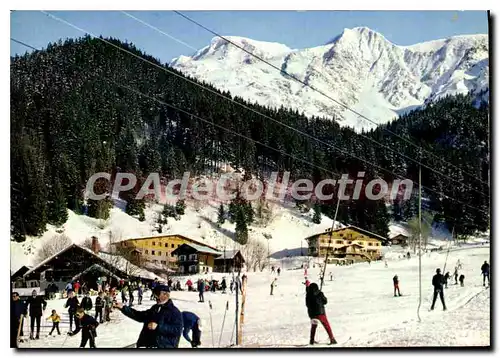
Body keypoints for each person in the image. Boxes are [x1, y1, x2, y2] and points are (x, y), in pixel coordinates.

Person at [114, 284, 183, 348]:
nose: (155, 297)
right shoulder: (155, 308)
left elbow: (177, 330)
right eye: (155, 294)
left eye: (157, 294)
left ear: (166, 295)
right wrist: (123, 308)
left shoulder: (174, 312)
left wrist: (158, 327)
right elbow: (140, 316)